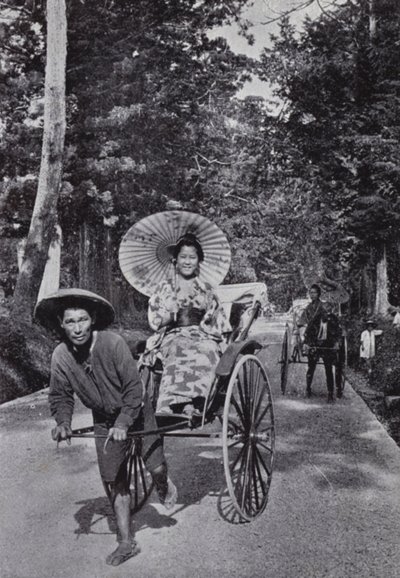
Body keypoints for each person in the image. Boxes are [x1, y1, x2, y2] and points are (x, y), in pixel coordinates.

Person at [35, 289, 177, 567]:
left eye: (83, 320)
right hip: (103, 418)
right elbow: (60, 395)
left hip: (136, 410)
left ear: (94, 319)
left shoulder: (112, 344)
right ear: (61, 324)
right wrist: (63, 423)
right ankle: (126, 542)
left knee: (156, 467)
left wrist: (124, 421)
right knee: (115, 480)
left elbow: (134, 389)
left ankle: (162, 483)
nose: (77, 328)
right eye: (71, 322)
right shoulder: (60, 356)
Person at [141, 233, 231, 415]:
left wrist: (206, 326)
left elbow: (217, 319)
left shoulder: (206, 288)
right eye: (183, 257)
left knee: (206, 349)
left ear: (199, 261)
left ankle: (197, 402)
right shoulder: (164, 287)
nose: (187, 262)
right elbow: (155, 320)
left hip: (201, 334)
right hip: (172, 335)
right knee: (178, 347)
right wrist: (169, 315)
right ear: (175, 259)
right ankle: (173, 403)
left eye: (192, 257)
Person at [298, 285, 342, 402]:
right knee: (311, 367)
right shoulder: (315, 318)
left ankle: (330, 394)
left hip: (327, 346)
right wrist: (307, 343)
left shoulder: (332, 320)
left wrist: (336, 343)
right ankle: (308, 388)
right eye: (324, 311)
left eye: (328, 311)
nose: (325, 313)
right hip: (316, 344)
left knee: (328, 369)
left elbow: (338, 332)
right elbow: (309, 331)